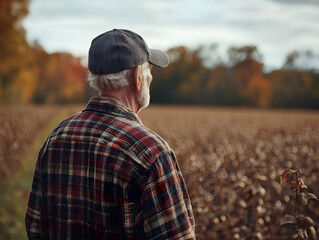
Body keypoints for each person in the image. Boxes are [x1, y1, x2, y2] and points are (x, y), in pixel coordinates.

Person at [25, 29, 196, 239]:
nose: (151, 77)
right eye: (149, 69)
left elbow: (35, 227)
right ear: (137, 78)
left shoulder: (56, 138)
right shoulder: (152, 152)